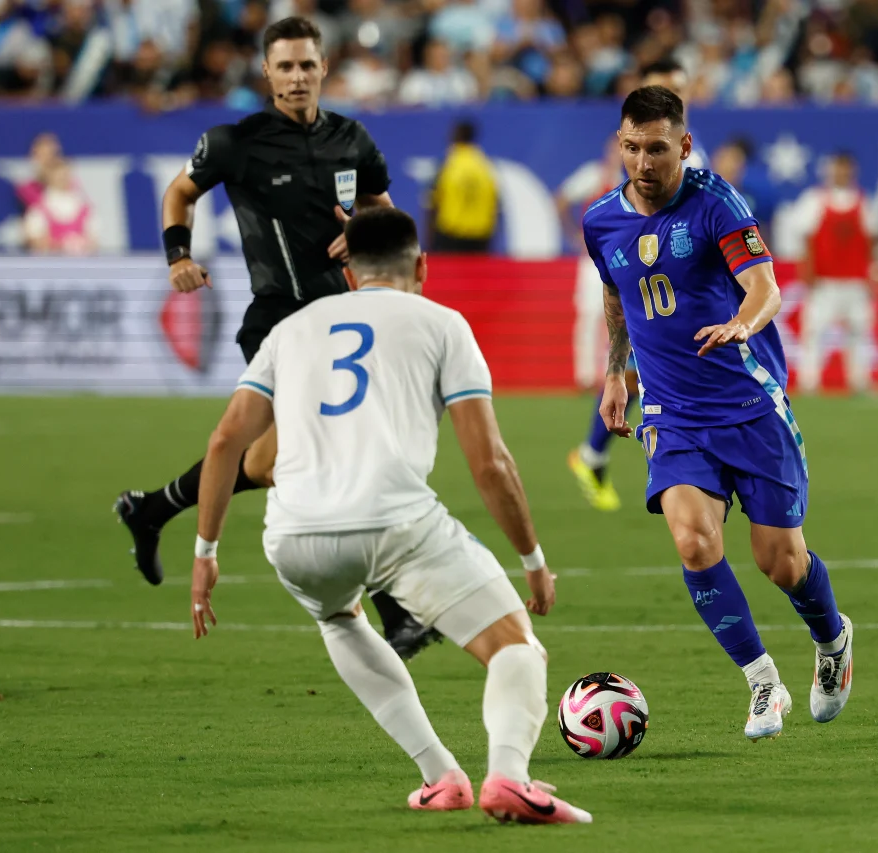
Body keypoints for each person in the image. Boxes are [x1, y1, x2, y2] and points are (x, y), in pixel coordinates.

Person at [188, 206, 590, 825]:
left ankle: (441, 778)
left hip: (293, 535)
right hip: (394, 523)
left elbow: (226, 444)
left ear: (348, 271)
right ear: (422, 265)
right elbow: (490, 464)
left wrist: (206, 554)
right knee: (515, 649)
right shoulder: (443, 325)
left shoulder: (293, 328)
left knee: (338, 617)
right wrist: (532, 559)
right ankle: (508, 778)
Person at [114, 17, 438, 660]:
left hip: (343, 320)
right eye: (284, 67)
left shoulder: (353, 138)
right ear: (266, 73)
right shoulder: (236, 143)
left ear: (324, 68)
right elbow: (179, 192)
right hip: (280, 324)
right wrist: (177, 256)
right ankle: (396, 608)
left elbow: (384, 208)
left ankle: (151, 509)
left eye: (306, 66)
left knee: (263, 462)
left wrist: (368, 227)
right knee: (338, 452)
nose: (296, 77)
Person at [585, 86, 854, 740]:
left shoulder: (716, 205)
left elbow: (765, 287)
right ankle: (763, 684)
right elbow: (617, 297)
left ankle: (833, 638)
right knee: (694, 540)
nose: (642, 162)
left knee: (780, 562)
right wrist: (616, 376)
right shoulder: (601, 221)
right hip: (673, 412)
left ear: (682, 145)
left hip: (748, 405)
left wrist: (741, 322)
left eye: (656, 149)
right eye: (631, 148)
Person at [566, 58, 706, 511]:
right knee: (639, 365)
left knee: (643, 370)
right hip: (635, 267)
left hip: (674, 280)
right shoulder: (629, 148)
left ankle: (594, 453)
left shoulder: (689, 153)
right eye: (663, 87)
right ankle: (648, 461)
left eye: (678, 88)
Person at [796, 152, 878, 395]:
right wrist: (807, 271)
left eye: (846, 169)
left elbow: (875, 242)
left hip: (856, 281)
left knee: (859, 333)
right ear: (829, 170)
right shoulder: (814, 200)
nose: (841, 173)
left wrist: (875, 273)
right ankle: (809, 382)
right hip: (824, 282)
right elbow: (806, 241)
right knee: (815, 332)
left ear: (853, 172)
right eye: (838, 168)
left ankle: (859, 381)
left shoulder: (865, 203)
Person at [555, 134, 624, 388]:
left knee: (620, 316)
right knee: (589, 314)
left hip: (622, 258)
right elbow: (562, 198)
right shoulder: (594, 175)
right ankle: (584, 375)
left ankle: (614, 372)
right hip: (593, 259)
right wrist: (574, 235)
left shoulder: (632, 180)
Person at [427, 119, 498, 253]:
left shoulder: (447, 165)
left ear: (455, 136)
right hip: (480, 237)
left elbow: (433, 204)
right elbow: (495, 204)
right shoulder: (485, 167)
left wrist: (430, 241)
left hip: (451, 237)